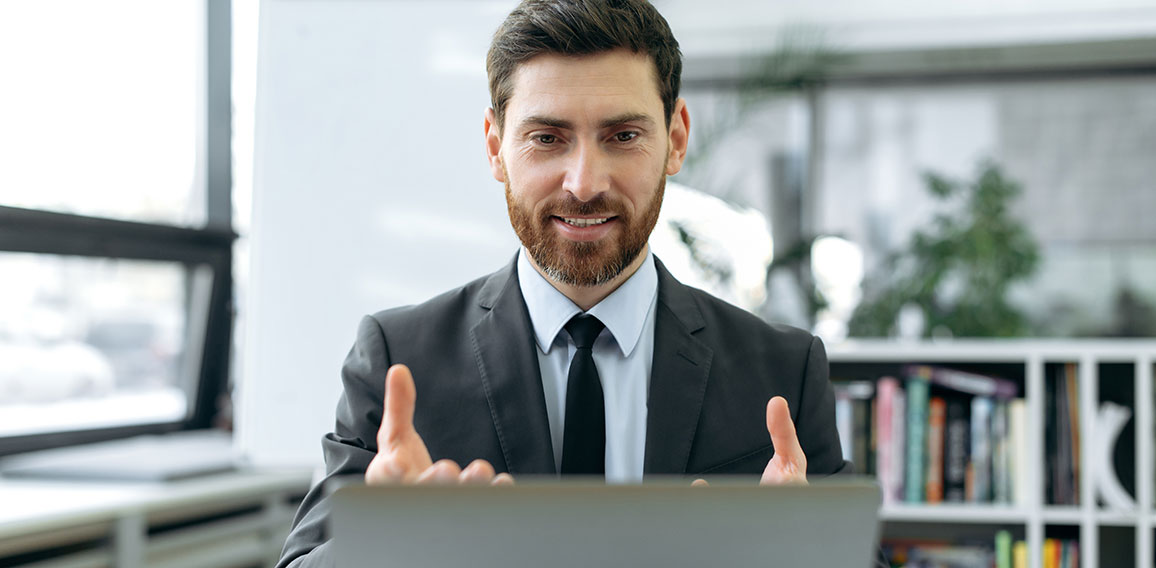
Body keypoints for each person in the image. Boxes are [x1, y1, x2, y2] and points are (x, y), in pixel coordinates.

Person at [276, 1, 848, 566]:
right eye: (547, 138)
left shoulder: (783, 370)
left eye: (622, 136)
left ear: (675, 139)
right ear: (496, 145)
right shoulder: (397, 358)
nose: (583, 183)